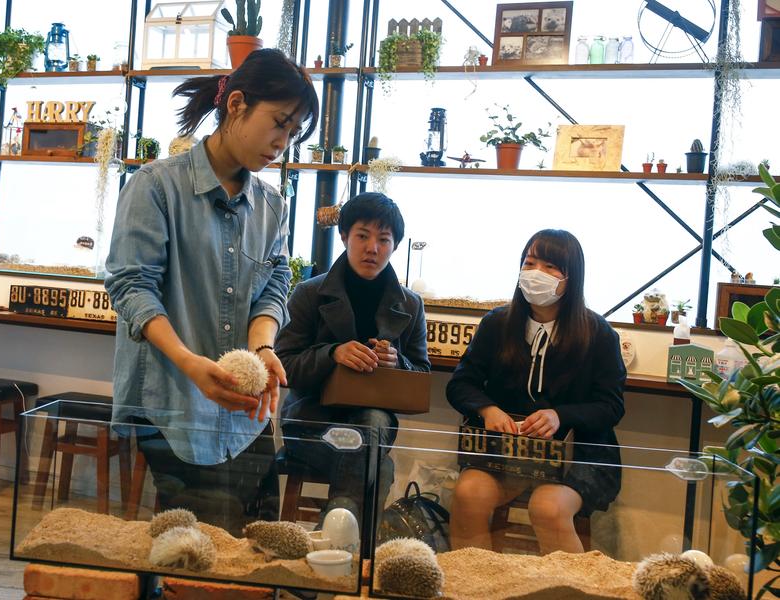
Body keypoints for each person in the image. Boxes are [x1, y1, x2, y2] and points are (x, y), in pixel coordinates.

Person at [104, 49, 319, 534]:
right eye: (279, 123)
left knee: (255, 547)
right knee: (193, 551)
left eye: (293, 132)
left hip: (247, 412)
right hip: (175, 400)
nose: (283, 143)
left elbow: (274, 283)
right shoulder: (156, 187)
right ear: (237, 104)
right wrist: (190, 364)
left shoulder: (271, 206)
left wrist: (263, 345)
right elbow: (131, 286)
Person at [446, 229, 625, 553]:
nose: (535, 274)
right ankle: (476, 586)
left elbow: (611, 407)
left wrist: (561, 416)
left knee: (547, 508)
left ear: (572, 278)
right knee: (467, 494)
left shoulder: (599, 334)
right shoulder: (497, 324)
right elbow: (461, 383)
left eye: (550, 267)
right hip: (508, 456)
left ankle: (569, 591)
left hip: (579, 458)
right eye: (529, 263)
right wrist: (487, 409)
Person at [274, 192, 431, 533]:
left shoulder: (411, 305)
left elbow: (421, 376)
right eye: (362, 236)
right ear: (344, 236)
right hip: (312, 424)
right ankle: (344, 546)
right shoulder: (309, 293)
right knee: (380, 467)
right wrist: (332, 354)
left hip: (372, 426)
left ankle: (329, 540)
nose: (372, 248)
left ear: (394, 246)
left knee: (371, 426)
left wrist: (398, 362)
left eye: (384, 239)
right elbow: (283, 366)